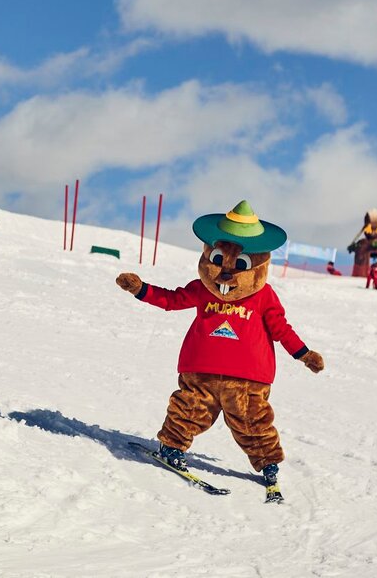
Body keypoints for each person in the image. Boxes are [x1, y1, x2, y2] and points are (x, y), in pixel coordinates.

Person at [115, 200, 324, 502]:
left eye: (239, 265)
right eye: (218, 260)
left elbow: (281, 329)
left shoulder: (264, 296)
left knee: (252, 420)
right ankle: (171, 447)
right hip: (200, 369)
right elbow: (172, 300)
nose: (226, 273)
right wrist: (141, 289)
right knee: (189, 409)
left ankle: (268, 463)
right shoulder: (202, 289)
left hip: (249, 376)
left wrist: (304, 354)